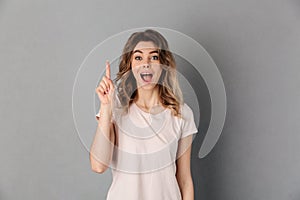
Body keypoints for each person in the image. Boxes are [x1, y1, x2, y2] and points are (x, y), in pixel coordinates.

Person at [90, 29, 198, 200]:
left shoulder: (182, 114)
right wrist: (105, 108)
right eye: (138, 57)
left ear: (163, 65)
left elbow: (184, 180)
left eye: (154, 57)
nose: (146, 63)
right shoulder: (116, 107)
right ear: (130, 65)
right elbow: (98, 165)